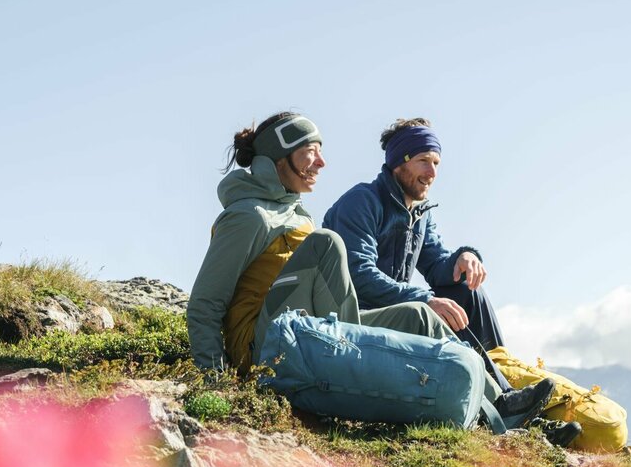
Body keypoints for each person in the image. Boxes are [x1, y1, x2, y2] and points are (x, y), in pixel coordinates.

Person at [186, 111, 553, 429]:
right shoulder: (247, 217)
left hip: (310, 329)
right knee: (327, 243)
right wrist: (217, 385)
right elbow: (205, 303)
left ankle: (503, 407)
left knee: (417, 315)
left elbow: (435, 261)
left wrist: (463, 257)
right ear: (278, 158)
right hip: (262, 347)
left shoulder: (298, 216)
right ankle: (354, 355)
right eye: (310, 152)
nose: (322, 163)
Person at [323, 117, 581, 448]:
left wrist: (464, 257)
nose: (432, 173)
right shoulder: (362, 202)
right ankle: (505, 403)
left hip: (400, 308)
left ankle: (515, 403)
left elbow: (435, 264)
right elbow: (357, 276)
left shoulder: (418, 212)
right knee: (431, 309)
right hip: (357, 315)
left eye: (436, 163)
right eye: (424, 161)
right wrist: (425, 299)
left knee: (464, 289)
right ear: (399, 163)